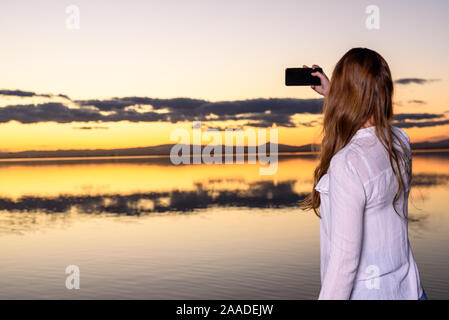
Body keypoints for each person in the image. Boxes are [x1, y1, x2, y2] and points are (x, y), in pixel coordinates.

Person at [301, 48, 425, 300]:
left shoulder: (347, 164)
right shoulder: (400, 142)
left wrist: (338, 96)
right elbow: (366, 114)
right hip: (409, 290)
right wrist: (336, 92)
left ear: (347, 95)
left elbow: (344, 263)